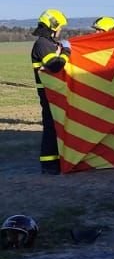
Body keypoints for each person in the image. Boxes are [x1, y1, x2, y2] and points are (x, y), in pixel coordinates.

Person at [31, 9, 70, 174]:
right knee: (50, 127)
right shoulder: (42, 44)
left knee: (54, 126)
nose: (60, 30)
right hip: (47, 92)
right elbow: (55, 65)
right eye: (59, 27)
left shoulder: (47, 43)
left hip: (52, 91)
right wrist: (67, 51)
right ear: (53, 26)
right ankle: (49, 164)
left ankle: (54, 162)